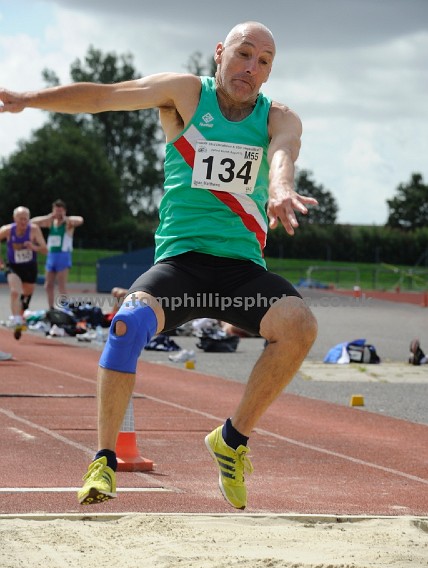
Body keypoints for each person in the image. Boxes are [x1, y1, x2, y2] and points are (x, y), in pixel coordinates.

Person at [0, 21, 318, 509]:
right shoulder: (186, 95)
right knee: (126, 324)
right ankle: (104, 461)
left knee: (300, 326)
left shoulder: (279, 117)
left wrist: (279, 188)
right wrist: (27, 98)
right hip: (181, 267)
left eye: (264, 62)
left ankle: (232, 439)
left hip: (240, 272)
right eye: (244, 54)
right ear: (220, 52)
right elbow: (105, 96)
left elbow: (282, 154)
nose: (251, 68)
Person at [0, 207, 48, 339]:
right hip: (13, 265)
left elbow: (45, 250)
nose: (23, 222)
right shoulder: (7, 230)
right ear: (14, 219)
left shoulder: (34, 230)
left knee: (26, 296)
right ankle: (16, 321)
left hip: (29, 267)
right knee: (15, 291)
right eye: (20, 219)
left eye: (26, 219)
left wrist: (34, 247)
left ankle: (20, 317)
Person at [31, 199, 84, 308]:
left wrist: (65, 218)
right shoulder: (51, 223)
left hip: (63, 256)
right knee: (48, 285)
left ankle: (65, 308)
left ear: (64, 211)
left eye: (60, 211)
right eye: (56, 211)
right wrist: (48, 217)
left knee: (61, 285)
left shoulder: (68, 224)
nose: (58, 213)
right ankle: (51, 307)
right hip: (51, 256)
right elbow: (32, 222)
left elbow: (80, 220)